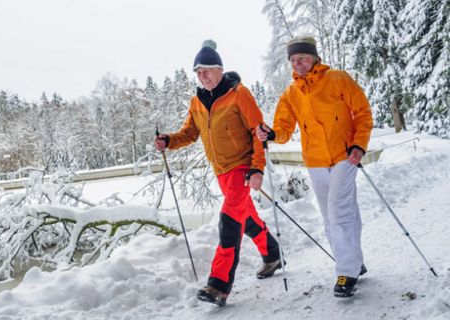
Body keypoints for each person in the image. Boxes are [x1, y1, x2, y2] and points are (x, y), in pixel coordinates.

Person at [155, 40, 281, 306]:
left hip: (242, 169)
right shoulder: (198, 101)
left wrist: (257, 168)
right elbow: (189, 133)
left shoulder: (239, 94)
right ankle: (272, 254)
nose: (203, 76)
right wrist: (169, 140)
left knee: (229, 222)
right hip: (221, 172)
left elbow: (258, 133)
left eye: (207, 70)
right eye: (198, 72)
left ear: (220, 69)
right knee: (246, 219)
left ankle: (219, 284)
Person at [257, 35, 373, 298]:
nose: (298, 64)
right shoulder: (291, 93)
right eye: (293, 60)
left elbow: (363, 113)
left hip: (345, 156)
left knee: (339, 211)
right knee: (334, 214)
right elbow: (284, 129)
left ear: (314, 57)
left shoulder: (338, 79)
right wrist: (271, 134)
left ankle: (346, 272)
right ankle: (354, 261)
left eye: (302, 58)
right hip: (316, 161)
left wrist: (359, 144)